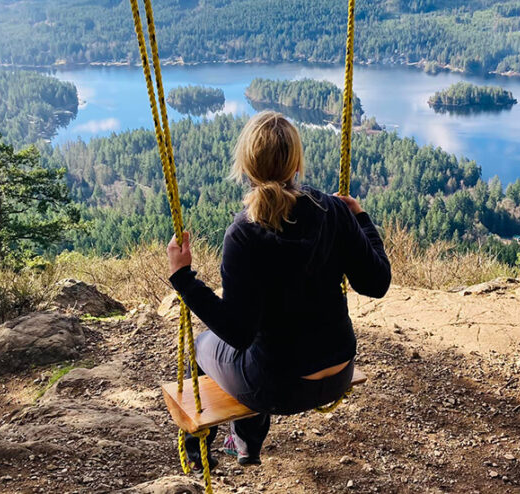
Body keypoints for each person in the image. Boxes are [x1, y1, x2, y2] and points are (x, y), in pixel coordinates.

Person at [166, 111, 391, 469]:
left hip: (277, 388)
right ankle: (243, 443)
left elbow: (238, 332)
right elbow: (377, 284)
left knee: (203, 345)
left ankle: (222, 446)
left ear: (247, 165)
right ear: (296, 162)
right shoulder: (333, 211)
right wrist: (359, 219)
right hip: (340, 372)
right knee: (250, 351)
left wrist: (183, 279)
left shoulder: (243, 233)